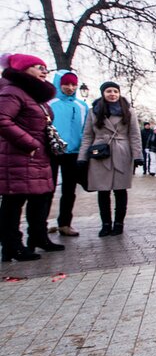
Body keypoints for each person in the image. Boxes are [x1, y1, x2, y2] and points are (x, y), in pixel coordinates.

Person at [0, 53, 60, 261]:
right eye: (38, 67)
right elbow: (2, 119)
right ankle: (12, 246)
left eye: (45, 68)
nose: (44, 71)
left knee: (40, 198)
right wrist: (30, 144)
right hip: (19, 156)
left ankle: (38, 237)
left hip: (38, 156)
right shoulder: (12, 91)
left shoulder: (34, 95)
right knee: (13, 202)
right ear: (22, 70)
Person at [77, 81, 143, 237]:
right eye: (108, 91)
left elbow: (134, 135)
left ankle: (119, 223)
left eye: (115, 91)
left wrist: (138, 156)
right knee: (103, 190)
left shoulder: (128, 111)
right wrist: (82, 157)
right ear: (103, 93)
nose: (112, 94)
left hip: (122, 151)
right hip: (100, 153)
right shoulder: (94, 111)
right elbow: (87, 135)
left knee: (120, 190)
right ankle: (105, 224)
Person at [48, 70, 88, 236]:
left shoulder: (82, 106)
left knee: (69, 190)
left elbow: (86, 129)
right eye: (66, 84)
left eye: (73, 84)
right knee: (46, 189)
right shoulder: (49, 104)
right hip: (51, 151)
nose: (70, 88)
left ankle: (65, 223)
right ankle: (40, 223)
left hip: (73, 152)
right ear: (59, 84)